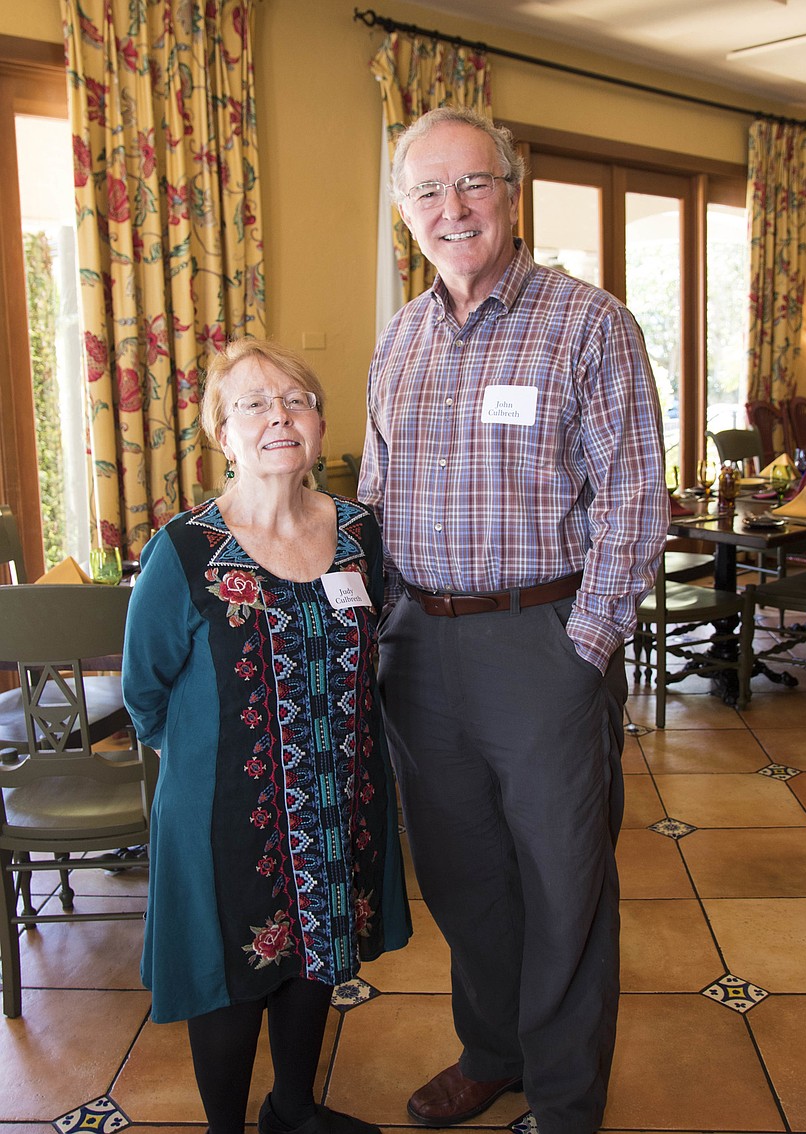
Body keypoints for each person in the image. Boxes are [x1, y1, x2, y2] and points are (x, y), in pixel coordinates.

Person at [359, 107, 669, 1134]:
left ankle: (568, 1098)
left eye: (471, 185)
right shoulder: (399, 337)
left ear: (510, 189)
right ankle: (493, 1051)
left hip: (540, 640)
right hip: (419, 645)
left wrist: (583, 643)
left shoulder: (588, 324)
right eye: (426, 193)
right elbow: (375, 491)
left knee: (562, 876)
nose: (452, 210)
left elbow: (634, 500)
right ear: (405, 213)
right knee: (461, 872)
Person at [123, 338, 410, 1134]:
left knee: (317, 950)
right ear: (223, 433)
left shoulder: (361, 534)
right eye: (253, 404)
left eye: (296, 400)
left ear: (319, 424)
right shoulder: (185, 551)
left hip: (335, 792)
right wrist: (206, 763)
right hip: (225, 808)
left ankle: (293, 1107)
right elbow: (143, 689)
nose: (279, 417)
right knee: (233, 970)